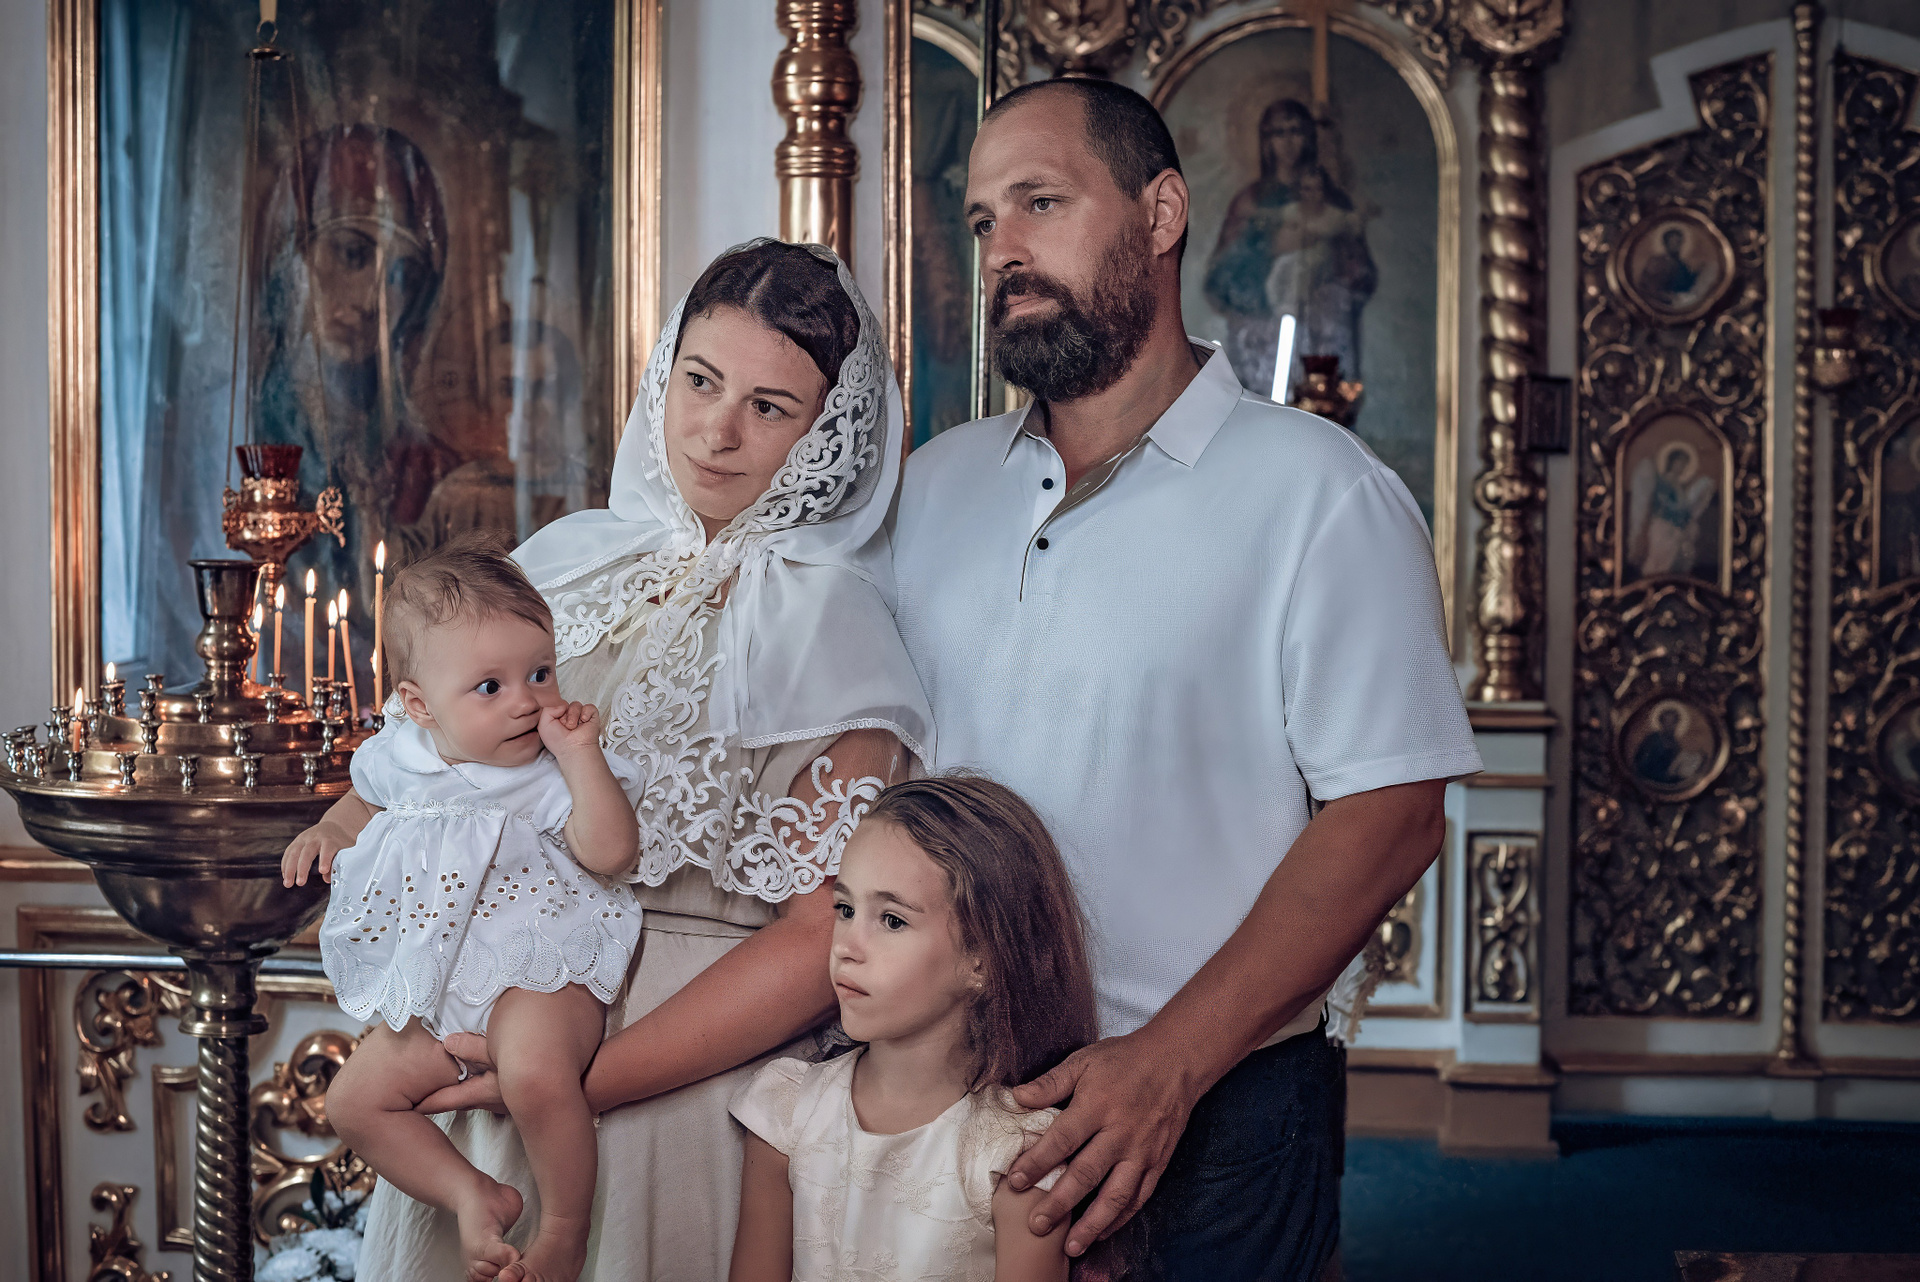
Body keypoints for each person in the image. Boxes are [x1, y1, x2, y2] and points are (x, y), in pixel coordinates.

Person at [891, 79, 1482, 1279]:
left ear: (1161, 213)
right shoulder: (933, 488)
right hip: (943, 1090)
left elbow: (1392, 811)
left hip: (1214, 1108)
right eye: (984, 220)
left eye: (1041, 203)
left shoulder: (1322, 493)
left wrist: (1170, 1061)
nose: (1003, 250)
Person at [355, 239, 933, 1281]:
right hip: (488, 1038)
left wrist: (577, 1082)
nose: (717, 430)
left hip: (681, 1087)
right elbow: (429, 773)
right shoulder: (562, 563)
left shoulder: (843, 633)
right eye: (700, 381)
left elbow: (825, 933)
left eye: (770, 406)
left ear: (829, 435)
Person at [282, 535, 643, 1282]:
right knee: (355, 1103)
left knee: (535, 1073)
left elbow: (611, 852)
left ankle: (564, 1229)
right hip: (443, 983)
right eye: (490, 686)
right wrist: (330, 832)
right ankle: (471, 1193)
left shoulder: (547, 769)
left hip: (539, 969)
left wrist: (582, 758)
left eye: (540, 672)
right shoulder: (402, 754)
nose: (526, 701)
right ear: (419, 705)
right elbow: (363, 800)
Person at [729, 775, 1118, 1282]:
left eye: (892, 920)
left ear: (981, 959)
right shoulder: (786, 1112)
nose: (846, 945)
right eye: (845, 909)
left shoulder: (1015, 1154)